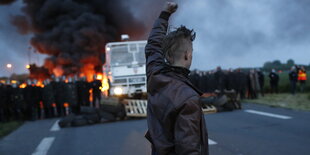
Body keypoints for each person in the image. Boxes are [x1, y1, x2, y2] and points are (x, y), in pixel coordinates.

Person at [145, 2, 209, 154]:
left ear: (167, 55)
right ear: (188, 55)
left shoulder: (155, 76)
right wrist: (165, 13)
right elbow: (189, 149)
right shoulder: (188, 98)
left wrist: (164, 14)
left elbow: (153, 46)